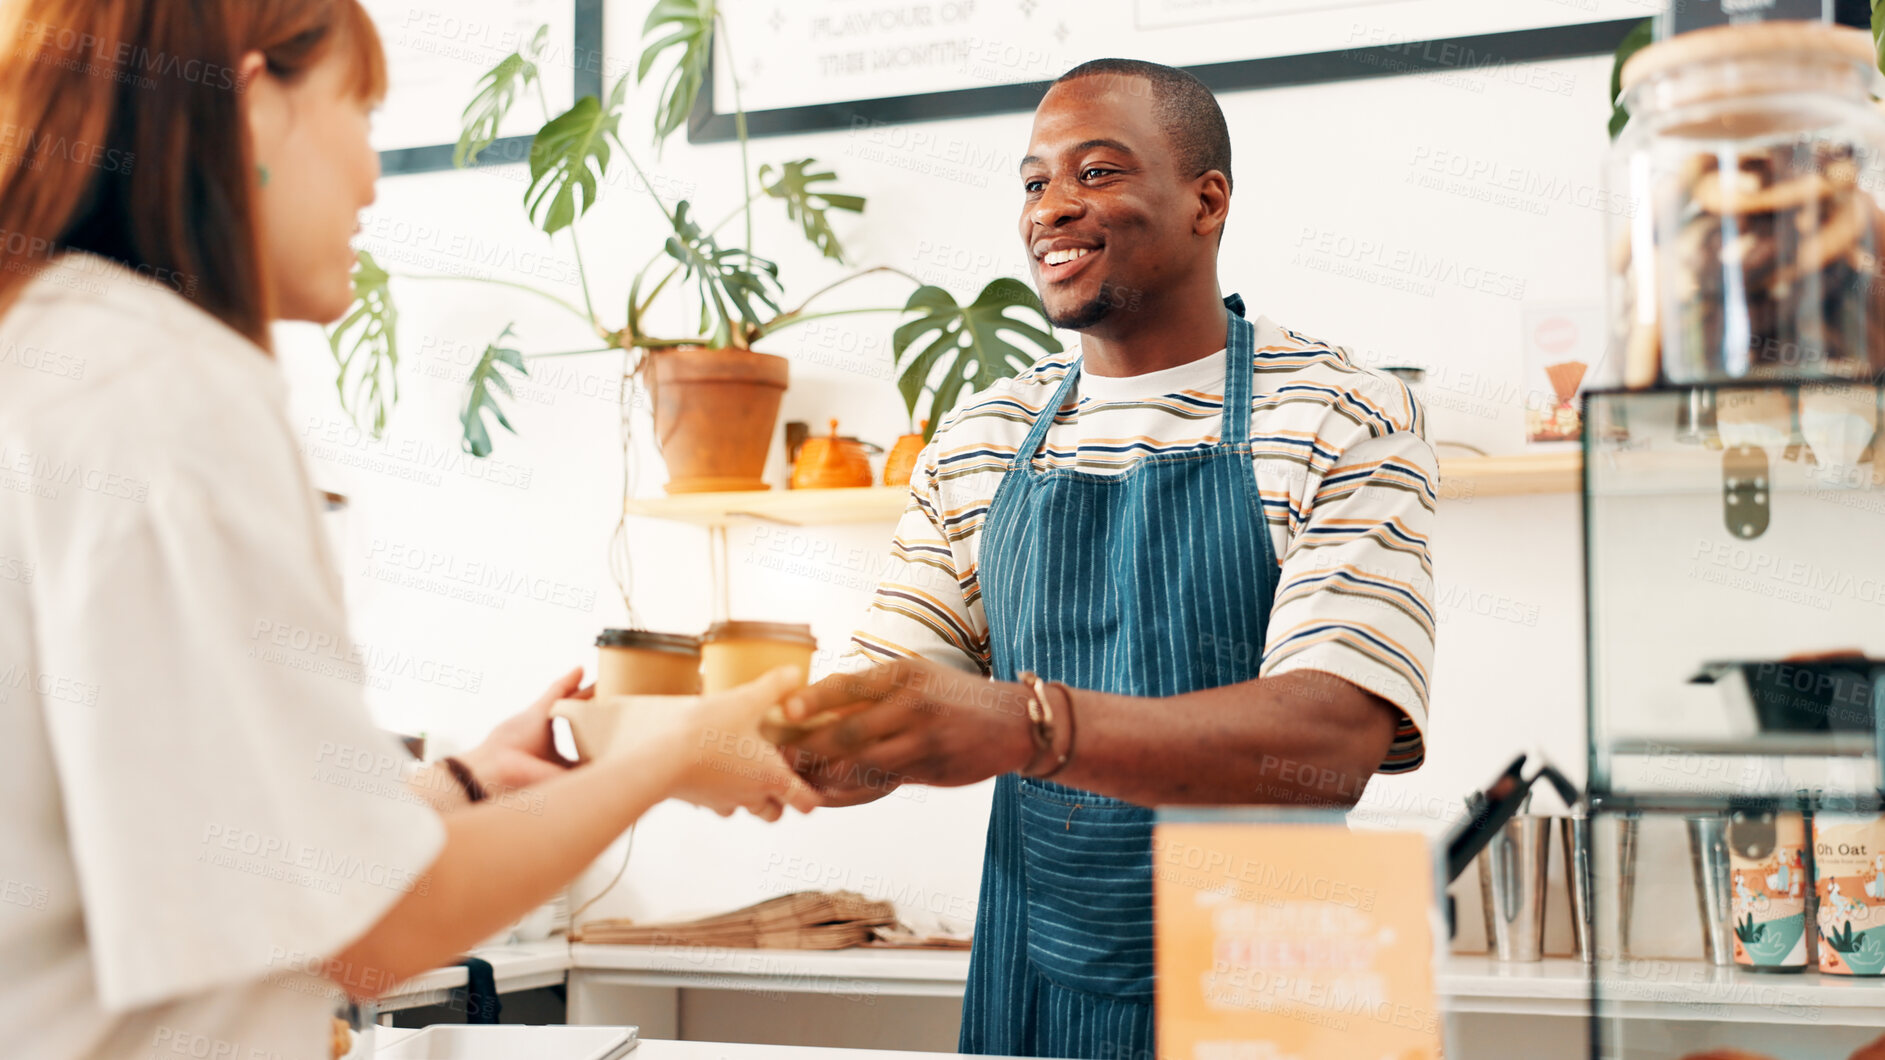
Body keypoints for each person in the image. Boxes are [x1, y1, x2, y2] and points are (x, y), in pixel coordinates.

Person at [0, 3, 807, 1058]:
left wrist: (465, 782)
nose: (375, 176)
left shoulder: (57, 351)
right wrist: (665, 755)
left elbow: (190, 827)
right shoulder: (170, 390)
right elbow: (374, 931)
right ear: (250, 113)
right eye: (360, 110)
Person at [777, 59, 1438, 1059]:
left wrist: (1027, 724)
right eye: (1034, 182)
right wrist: (763, 739)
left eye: (1095, 172)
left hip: (1282, 973)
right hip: (1037, 957)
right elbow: (885, 706)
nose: (1051, 208)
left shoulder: (1338, 411)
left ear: (1204, 200)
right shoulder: (981, 438)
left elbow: (1333, 738)